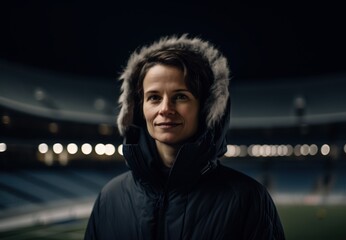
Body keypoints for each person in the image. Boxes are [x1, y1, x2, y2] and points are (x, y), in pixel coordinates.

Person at [84, 34, 285, 240]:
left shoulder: (249, 200)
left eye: (180, 96)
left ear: (206, 109)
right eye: (154, 97)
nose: (165, 109)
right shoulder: (109, 198)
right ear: (138, 109)